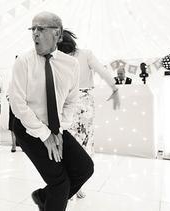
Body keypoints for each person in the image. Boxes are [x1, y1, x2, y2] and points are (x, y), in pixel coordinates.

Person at [8, 12, 94, 211]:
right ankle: (49, 196)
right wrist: (46, 135)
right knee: (60, 183)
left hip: (56, 128)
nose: (35, 34)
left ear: (58, 34)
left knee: (85, 168)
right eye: (33, 29)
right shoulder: (23, 61)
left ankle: (42, 196)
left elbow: (71, 102)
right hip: (28, 128)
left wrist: (58, 131)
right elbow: (18, 104)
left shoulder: (71, 65)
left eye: (41, 29)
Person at [57, 29, 121, 199]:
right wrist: (115, 89)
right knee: (83, 143)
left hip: (65, 103)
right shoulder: (86, 54)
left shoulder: (58, 58)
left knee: (68, 143)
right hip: (84, 103)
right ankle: (76, 186)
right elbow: (103, 72)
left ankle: (70, 186)